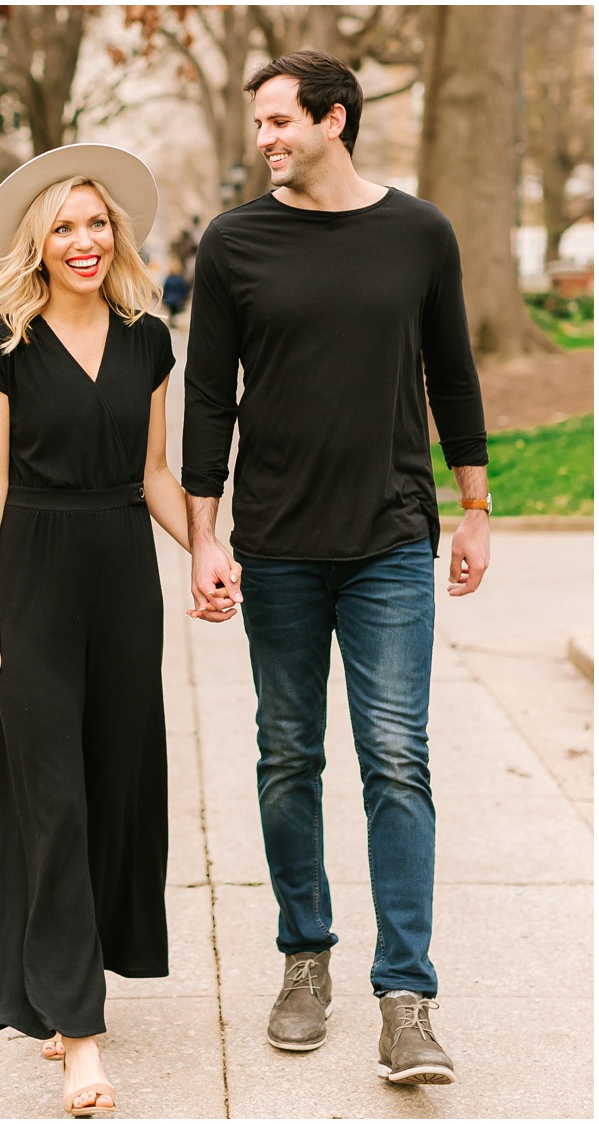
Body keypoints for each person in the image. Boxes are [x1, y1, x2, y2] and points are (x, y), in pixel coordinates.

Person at [182, 50, 491, 1086]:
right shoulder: (233, 242)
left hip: (393, 542)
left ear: (334, 119)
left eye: (278, 121)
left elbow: (452, 370)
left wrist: (477, 508)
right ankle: (303, 955)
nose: (264, 138)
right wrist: (204, 536)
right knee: (287, 755)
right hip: (273, 545)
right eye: (259, 123)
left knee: (398, 760)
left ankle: (406, 995)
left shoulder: (420, 234)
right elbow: (209, 398)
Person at [0, 144, 240, 1117]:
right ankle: (77, 1033)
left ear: (115, 233)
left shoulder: (147, 337)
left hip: (124, 573)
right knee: (53, 796)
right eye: (65, 226)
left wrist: (206, 545)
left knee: (113, 782)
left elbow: (155, 471)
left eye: (97, 223)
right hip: (32, 571)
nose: (84, 240)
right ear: (37, 242)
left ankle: (63, 971)